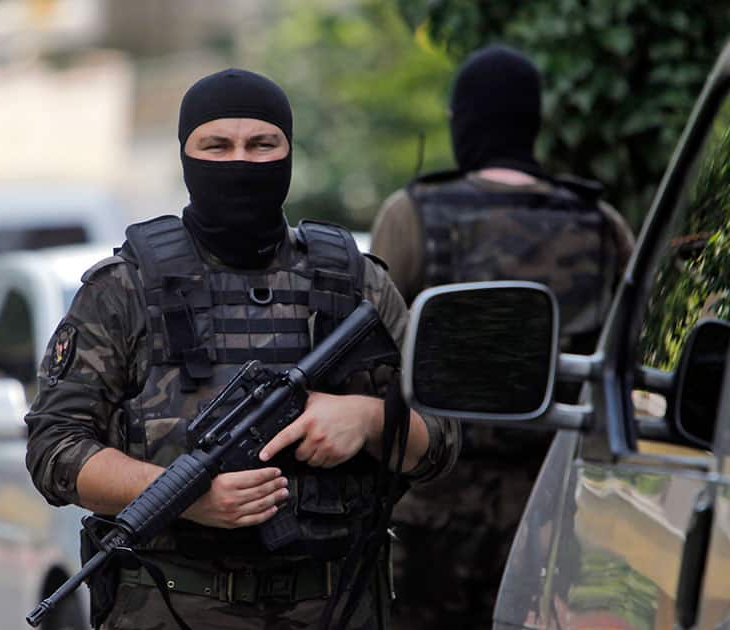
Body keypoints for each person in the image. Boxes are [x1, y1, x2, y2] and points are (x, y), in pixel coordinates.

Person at [25, 68, 460, 629]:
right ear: (185, 156)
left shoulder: (356, 283)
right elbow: (54, 448)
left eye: (262, 144)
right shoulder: (123, 290)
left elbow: (444, 439)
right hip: (172, 607)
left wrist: (370, 418)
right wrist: (180, 495)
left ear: (288, 152)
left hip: (337, 605)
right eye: (216, 145)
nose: (240, 162)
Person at [369, 45, 635, 630]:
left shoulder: (413, 213)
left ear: (462, 120)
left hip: (427, 508)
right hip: (553, 512)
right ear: (532, 123)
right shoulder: (601, 225)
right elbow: (628, 363)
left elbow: (367, 353)